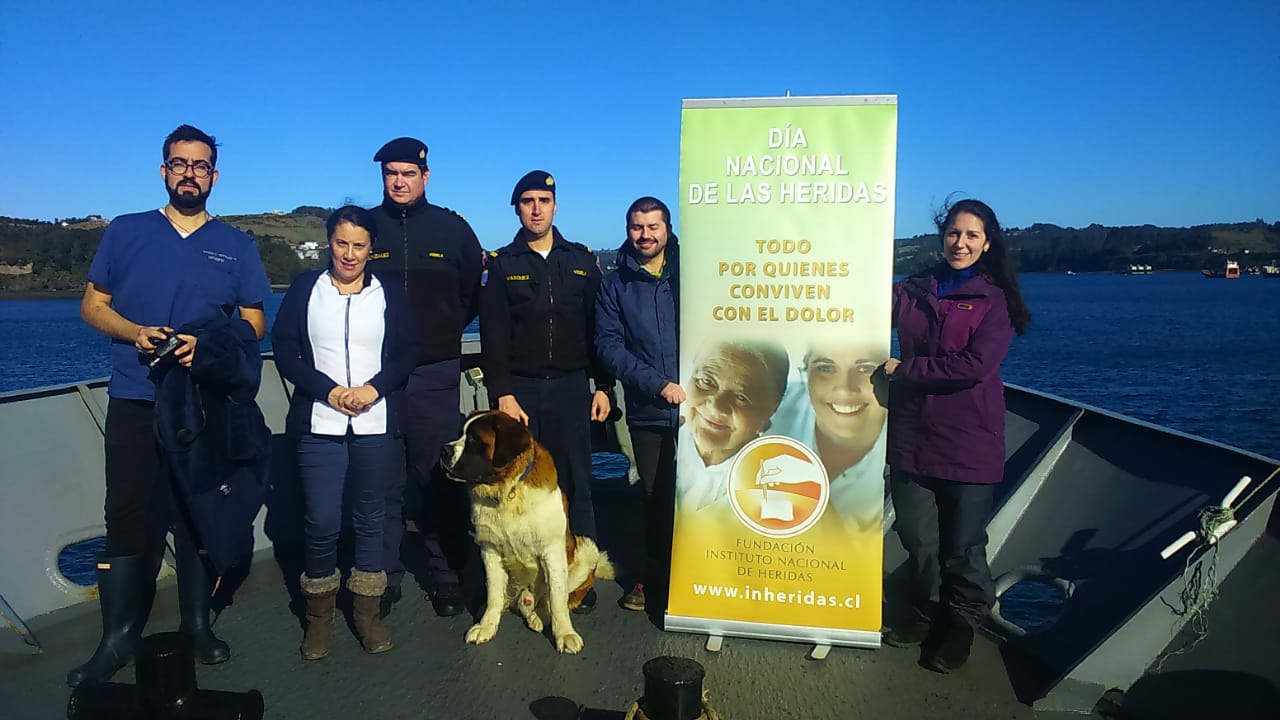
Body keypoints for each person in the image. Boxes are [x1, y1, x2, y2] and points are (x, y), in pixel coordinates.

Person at [69, 124, 271, 687]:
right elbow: (92, 306)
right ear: (164, 170)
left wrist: (207, 346)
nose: (190, 172)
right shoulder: (127, 232)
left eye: (200, 164)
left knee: (195, 513)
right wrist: (135, 332)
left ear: (214, 174)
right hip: (135, 398)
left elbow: (255, 320)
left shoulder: (235, 244)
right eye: (179, 163)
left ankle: (197, 626)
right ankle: (116, 641)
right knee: (128, 516)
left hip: (201, 404)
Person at [880, 197, 1031, 673]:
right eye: (953, 233)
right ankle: (927, 612)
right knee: (916, 536)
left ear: (987, 243)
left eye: (971, 236)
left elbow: (974, 365)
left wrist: (906, 369)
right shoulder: (914, 289)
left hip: (968, 439)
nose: (960, 243)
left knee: (962, 546)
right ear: (941, 236)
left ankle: (962, 625)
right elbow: (858, 307)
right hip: (912, 437)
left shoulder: (995, 300)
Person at [272, 206, 417, 659]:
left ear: (371, 248)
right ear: (328, 243)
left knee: (371, 518)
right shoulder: (304, 290)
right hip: (320, 422)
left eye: (359, 245)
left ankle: (366, 615)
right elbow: (287, 351)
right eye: (341, 243)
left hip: (376, 420)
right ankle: (319, 618)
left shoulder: (389, 292)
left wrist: (373, 389)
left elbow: (407, 352)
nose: (349, 254)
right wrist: (330, 391)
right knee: (321, 521)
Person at [479, 170, 612, 611]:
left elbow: (599, 330)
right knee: (518, 486)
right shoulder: (502, 265)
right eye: (527, 201)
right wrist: (503, 392)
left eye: (544, 200)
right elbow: (493, 336)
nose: (536, 208)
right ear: (517, 207)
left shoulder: (581, 261)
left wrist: (603, 386)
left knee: (576, 482)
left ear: (555, 206)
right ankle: (524, 572)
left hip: (573, 388)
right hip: (522, 393)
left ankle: (580, 580)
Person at [367, 137, 484, 618]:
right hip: (374, 375)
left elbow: (472, 295)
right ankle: (385, 575)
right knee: (383, 476)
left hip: (434, 371)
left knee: (437, 474)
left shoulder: (453, 229)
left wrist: (440, 335)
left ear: (425, 176)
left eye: (408, 173)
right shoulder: (366, 228)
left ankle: (445, 573)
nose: (399, 181)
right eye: (391, 173)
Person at [595, 197, 683, 612]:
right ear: (628, 229)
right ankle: (655, 575)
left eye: (653, 226)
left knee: (708, 496)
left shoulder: (693, 274)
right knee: (656, 496)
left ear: (667, 228)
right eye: (637, 227)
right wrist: (657, 384)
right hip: (649, 411)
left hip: (705, 411)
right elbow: (609, 347)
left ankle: (707, 578)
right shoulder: (615, 285)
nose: (645, 235)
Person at [770, 341, 888, 535]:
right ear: (806, 372)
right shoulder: (768, 411)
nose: (844, 389)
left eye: (865, 369)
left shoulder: (906, 448)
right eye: (826, 368)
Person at [675, 339, 789, 513]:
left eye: (741, 397)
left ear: (770, 411)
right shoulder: (651, 448)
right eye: (706, 381)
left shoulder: (782, 489)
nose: (716, 407)